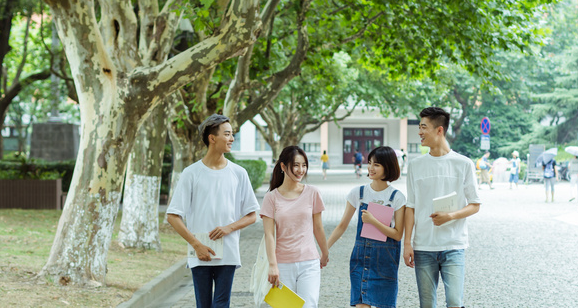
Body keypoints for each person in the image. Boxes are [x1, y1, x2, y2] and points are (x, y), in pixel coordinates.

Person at [166, 114, 261, 308]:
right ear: (212, 138)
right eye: (227, 134)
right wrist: (196, 245)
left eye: (232, 134)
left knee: (221, 304)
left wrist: (229, 228)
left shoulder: (238, 173)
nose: (232, 138)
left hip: (228, 251)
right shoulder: (191, 173)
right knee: (203, 305)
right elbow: (173, 215)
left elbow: (253, 214)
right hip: (200, 254)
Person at [403, 107, 481, 308]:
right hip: (424, 246)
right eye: (419, 127)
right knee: (427, 305)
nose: (419, 132)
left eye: (423, 127)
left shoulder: (463, 164)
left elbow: (475, 205)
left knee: (455, 301)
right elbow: (410, 206)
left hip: (454, 245)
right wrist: (407, 243)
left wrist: (450, 216)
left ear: (439, 130)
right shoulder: (415, 165)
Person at [327, 146, 406, 308]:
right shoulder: (358, 193)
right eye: (369, 163)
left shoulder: (397, 198)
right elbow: (342, 225)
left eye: (376, 164)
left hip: (385, 262)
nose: (370, 168)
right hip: (360, 259)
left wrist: (373, 220)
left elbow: (398, 235)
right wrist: (324, 249)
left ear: (388, 166)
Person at [260, 146, 329, 308]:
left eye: (304, 165)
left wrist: (325, 252)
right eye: (296, 165)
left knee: (308, 305)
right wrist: (272, 265)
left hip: (309, 262)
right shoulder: (271, 198)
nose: (301, 170)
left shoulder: (313, 193)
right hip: (282, 264)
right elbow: (269, 235)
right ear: (283, 167)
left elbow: (318, 227)